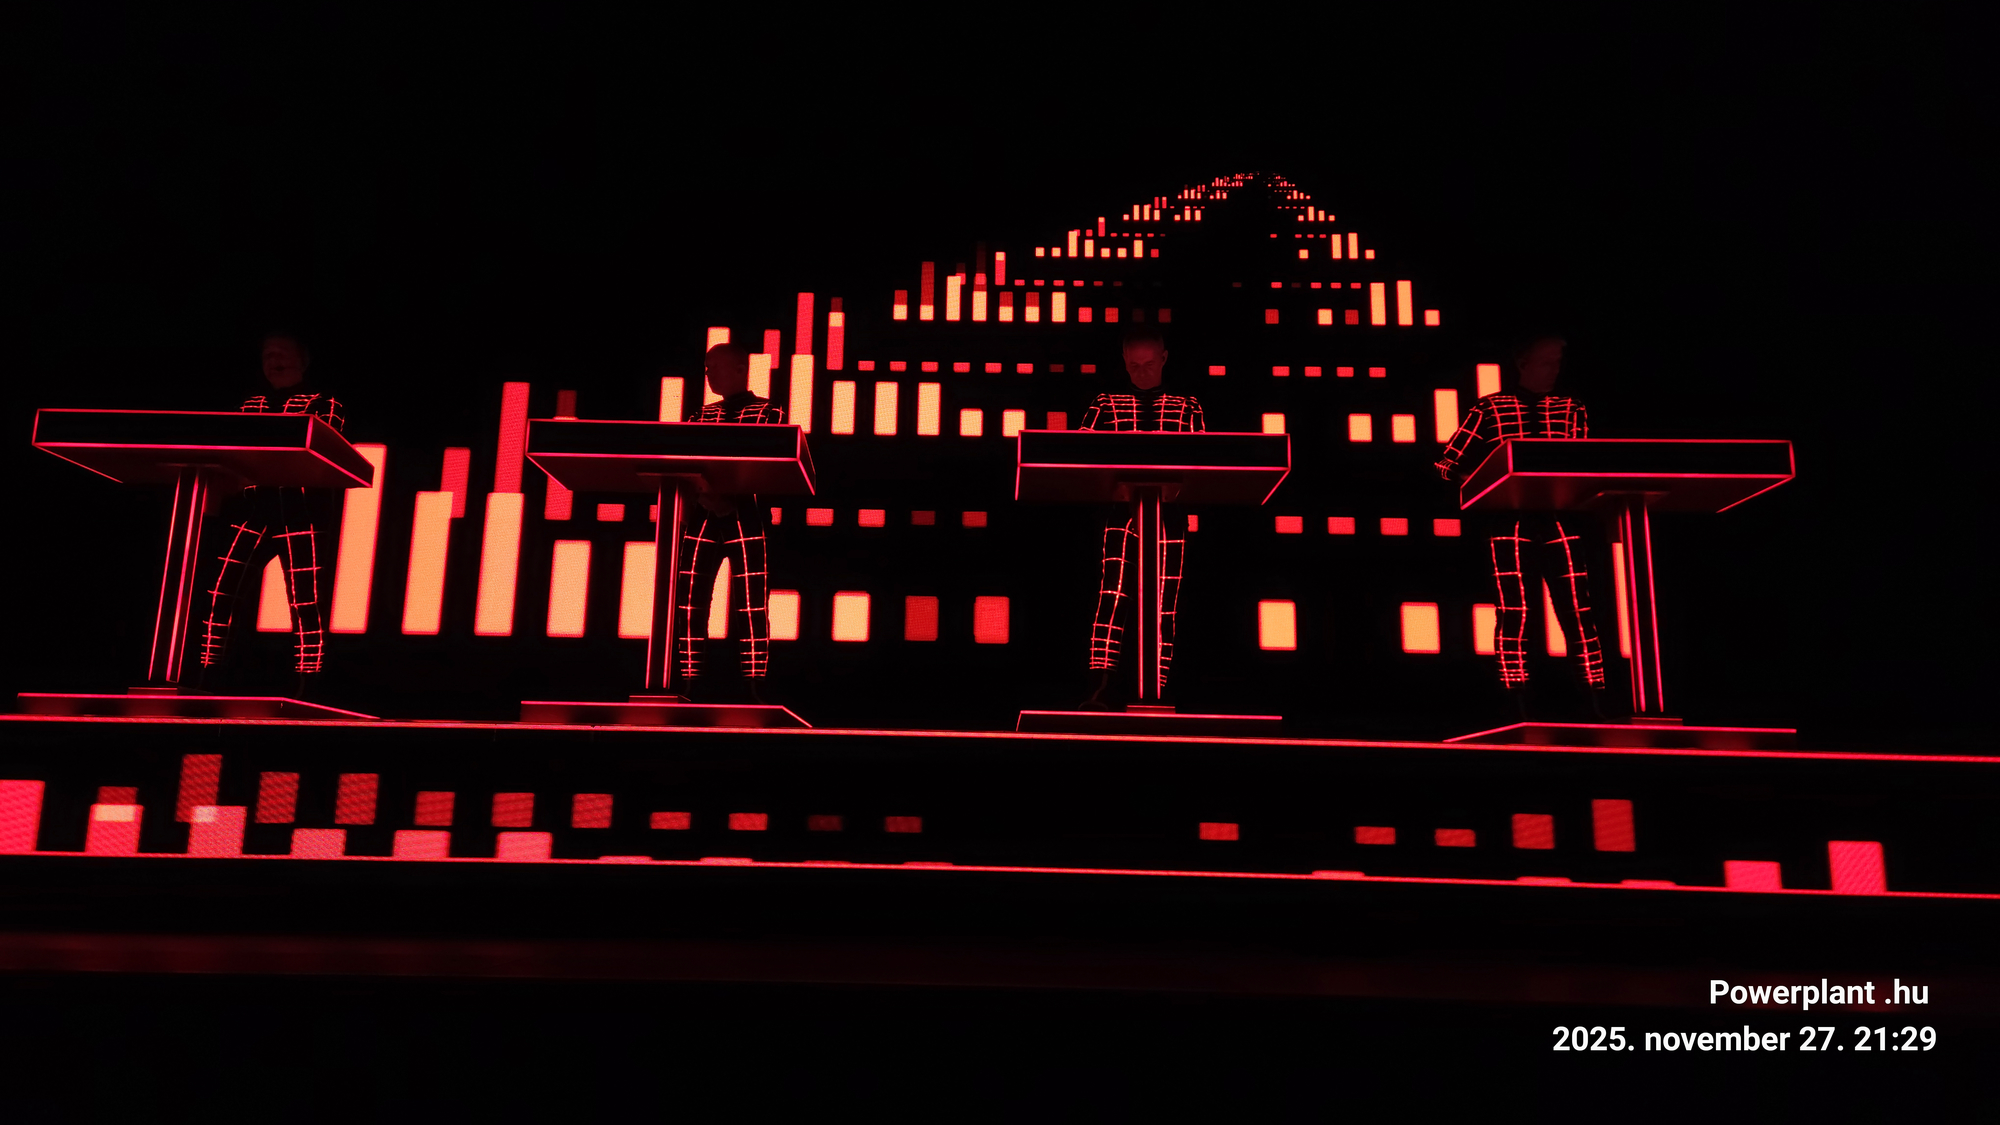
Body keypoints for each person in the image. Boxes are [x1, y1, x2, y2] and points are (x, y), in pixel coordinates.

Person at [1434, 333, 1606, 714]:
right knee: (1514, 614)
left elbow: (1584, 461)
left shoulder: (1571, 409)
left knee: (1578, 614)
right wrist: (1483, 483)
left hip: (1559, 521)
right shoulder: (1490, 409)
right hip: (1509, 524)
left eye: (1557, 362)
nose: (1554, 370)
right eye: (1546, 362)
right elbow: (1446, 463)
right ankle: (1518, 701)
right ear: (1523, 364)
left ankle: (1594, 700)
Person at [196, 330, 345, 686]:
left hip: (301, 512)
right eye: (267, 355)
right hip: (253, 511)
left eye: (281, 353)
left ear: (303, 360)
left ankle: (309, 682)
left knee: (306, 600)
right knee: (220, 592)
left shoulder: (324, 404)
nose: (273, 360)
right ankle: (206, 674)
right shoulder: (251, 405)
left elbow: (324, 452)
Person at [1080, 322, 1206, 708]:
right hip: (1121, 512)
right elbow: (1077, 454)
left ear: (1164, 359)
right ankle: (1102, 684)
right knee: (1112, 594)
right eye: (1134, 365)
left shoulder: (1187, 406)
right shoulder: (1105, 404)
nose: (1141, 372)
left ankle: (1158, 687)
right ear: (1124, 362)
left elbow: (1205, 462)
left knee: (1164, 603)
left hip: (1170, 514)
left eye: (1149, 364)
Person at [676, 341, 784, 700]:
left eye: (714, 367)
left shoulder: (768, 412)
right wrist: (707, 496)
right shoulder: (700, 416)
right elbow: (683, 462)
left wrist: (715, 495)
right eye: (706, 368)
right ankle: (690, 683)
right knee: (690, 603)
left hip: (744, 514)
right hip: (710, 514)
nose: (708, 374)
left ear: (740, 370)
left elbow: (766, 462)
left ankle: (752, 686)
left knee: (751, 606)